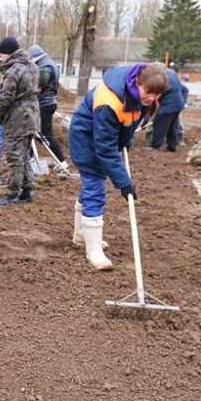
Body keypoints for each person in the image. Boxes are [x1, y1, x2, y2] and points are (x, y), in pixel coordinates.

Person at [69, 62, 168, 270]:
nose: (151, 99)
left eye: (156, 95)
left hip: (102, 140)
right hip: (85, 140)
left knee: (91, 187)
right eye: (148, 92)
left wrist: (125, 141)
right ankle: (93, 250)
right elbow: (104, 148)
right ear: (137, 82)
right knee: (94, 187)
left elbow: (128, 122)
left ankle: (81, 235)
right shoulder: (108, 101)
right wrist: (124, 182)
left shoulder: (140, 96)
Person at [0, 37, 40, 205]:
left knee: (14, 155)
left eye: (2, 54)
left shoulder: (13, 71)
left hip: (18, 118)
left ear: (7, 53)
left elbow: (5, 97)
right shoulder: (32, 66)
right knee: (24, 154)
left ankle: (12, 192)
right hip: (32, 115)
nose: (1, 57)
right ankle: (27, 190)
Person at [28, 45, 72, 175]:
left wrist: (34, 86)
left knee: (44, 133)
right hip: (48, 102)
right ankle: (30, 160)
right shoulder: (49, 62)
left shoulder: (45, 65)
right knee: (36, 133)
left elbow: (42, 82)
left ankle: (61, 162)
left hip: (44, 104)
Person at [147, 67, 188, 152]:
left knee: (159, 123)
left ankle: (155, 145)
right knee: (172, 126)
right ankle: (172, 146)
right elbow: (184, 89)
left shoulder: (162, 78)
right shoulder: (172, 75)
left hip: (169, 105)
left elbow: (157, 93)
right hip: (178, 104)